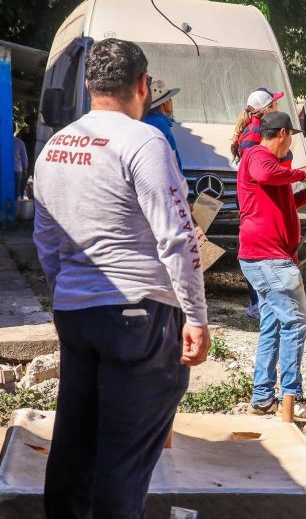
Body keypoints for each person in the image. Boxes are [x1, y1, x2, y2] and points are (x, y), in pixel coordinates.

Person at [33, 38, 210, 518]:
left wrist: (68, 293)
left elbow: (46, 240)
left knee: (74, 444)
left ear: (90, 86)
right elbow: (177, 237)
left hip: (76, 314)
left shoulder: (55, 146)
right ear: (143, 85)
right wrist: (196, 316)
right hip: (140, 315)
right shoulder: (144, 141)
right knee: (125, 457)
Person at [238, 110, 306, 422]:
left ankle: (263, 397)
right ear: (283, 134)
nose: (291, 141)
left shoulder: (272, 166)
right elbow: (267, 175)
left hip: (267, 256)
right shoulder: (258, 156)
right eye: (291, 135)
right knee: (296, 320)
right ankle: (292, 398)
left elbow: (286, 201)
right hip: (268, 257)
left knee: (274, 324)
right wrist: (303, 174)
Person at [232, 87, 292, 318]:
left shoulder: (255, 130)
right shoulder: (253, 134)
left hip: (264, 196)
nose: (278, 106)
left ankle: (262, 304)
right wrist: (296, 174)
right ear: (267, 109)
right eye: (275, 104)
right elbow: (260, 171)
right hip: (258, 201)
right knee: (259, 253)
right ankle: (257, 303)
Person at [142, 78, 183, 174]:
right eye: (170, 99)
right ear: (165, 103)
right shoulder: (162, 126)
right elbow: (173, 163)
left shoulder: (143, 121)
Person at [12, 127, 28, 198]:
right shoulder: (19, 142)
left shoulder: (3, 141)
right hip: (17, 170)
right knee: (16, 191)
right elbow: (24, 157)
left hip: (4, 169)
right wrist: (25, 169)